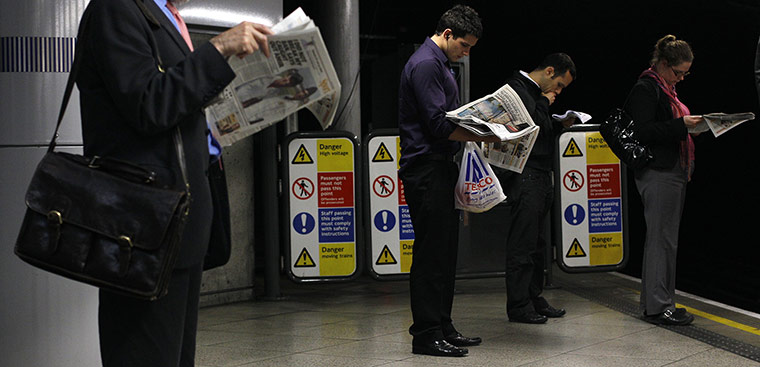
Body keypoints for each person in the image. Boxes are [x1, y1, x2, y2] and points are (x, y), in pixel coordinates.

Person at [75, 0, 272, 365]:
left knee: (176, 356)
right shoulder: (116, 9)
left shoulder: (163, 13)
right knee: (145, 355)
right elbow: (150, 104)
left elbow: (175, 102)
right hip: (141, 229)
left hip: (177, 224)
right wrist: (219, 48)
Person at [398, 4, 499, 358]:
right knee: (430, 254)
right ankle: (426, 334)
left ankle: (442, 324)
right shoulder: (426, 64)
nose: (467, 53)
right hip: (426, 168)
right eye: (465, 46)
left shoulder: (437, 62)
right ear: (447, 34)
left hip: (439, 166)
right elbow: (438, 125)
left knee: (444, 251)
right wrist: (486, 135)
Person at [625, 35, 703, 326]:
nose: (681, 78)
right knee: (661, 240)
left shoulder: (665, 89)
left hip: (671, 171)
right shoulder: (646, 88)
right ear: (662, 64)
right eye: (678, 72)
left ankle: (658, 302)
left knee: (664, 240)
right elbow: (642, 131)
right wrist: (680, 125)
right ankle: (658, 308)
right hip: (658, 172)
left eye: (686, 73)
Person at [499, 53, 576, 324]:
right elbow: (531, 125)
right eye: (559, 85)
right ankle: (518, 305)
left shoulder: (537, 94)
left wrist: (558, 122)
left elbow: (543, 126)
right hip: (525, 173)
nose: (558, 92)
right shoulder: (517, 89)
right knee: (523, 241)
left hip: (542, 172)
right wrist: (545, 102)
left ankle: (533, 297)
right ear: (549, 71)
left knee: (538, 243)